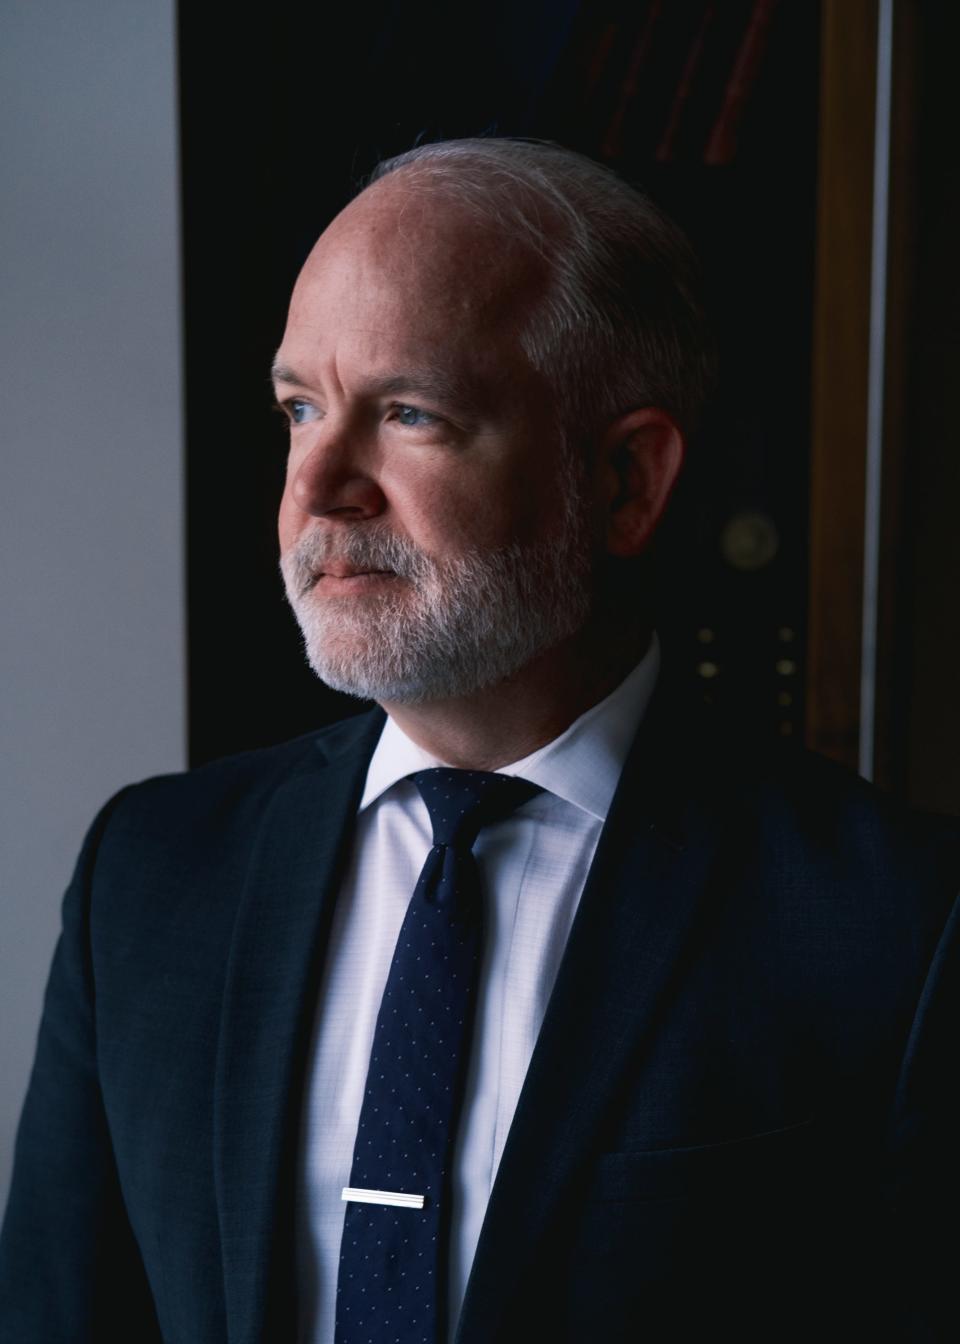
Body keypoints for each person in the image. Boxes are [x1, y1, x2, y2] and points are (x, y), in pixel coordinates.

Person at [1, 138, 957, 1344]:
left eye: (410, 413)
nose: (321, 487)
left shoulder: (900, 927)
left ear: (624, 480)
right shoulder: (147, 876)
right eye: (301, 407)